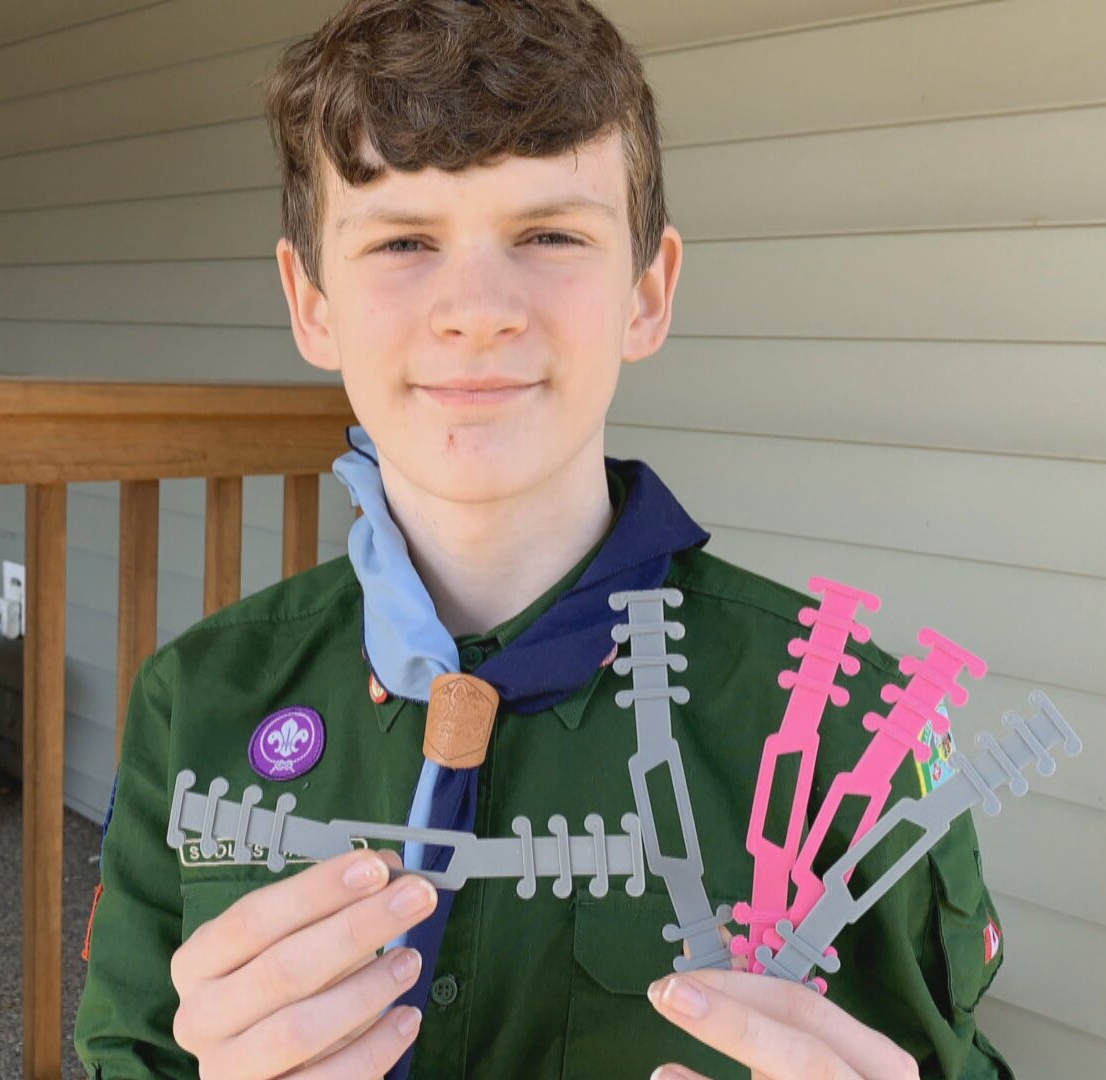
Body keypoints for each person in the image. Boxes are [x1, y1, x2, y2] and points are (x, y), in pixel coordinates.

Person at [73, 1, 1012, 1077]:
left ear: (647, 294)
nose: (478, 309)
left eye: (551, 234)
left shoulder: (850, 725)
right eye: (402, 240)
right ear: (311, 300)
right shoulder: (199, 701)